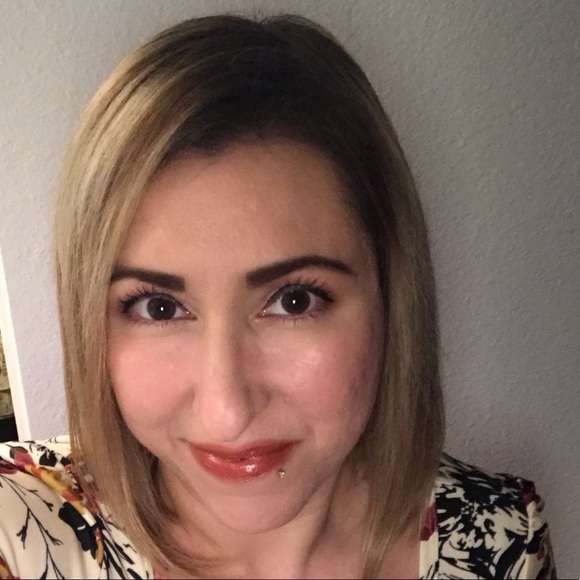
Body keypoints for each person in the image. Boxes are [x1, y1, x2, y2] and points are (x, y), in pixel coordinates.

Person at [0, 14, 555, 579]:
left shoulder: (503, 541)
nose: (227, 412)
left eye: (294, 301)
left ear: (391, 293)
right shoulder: (15, 529)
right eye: (158, 307)